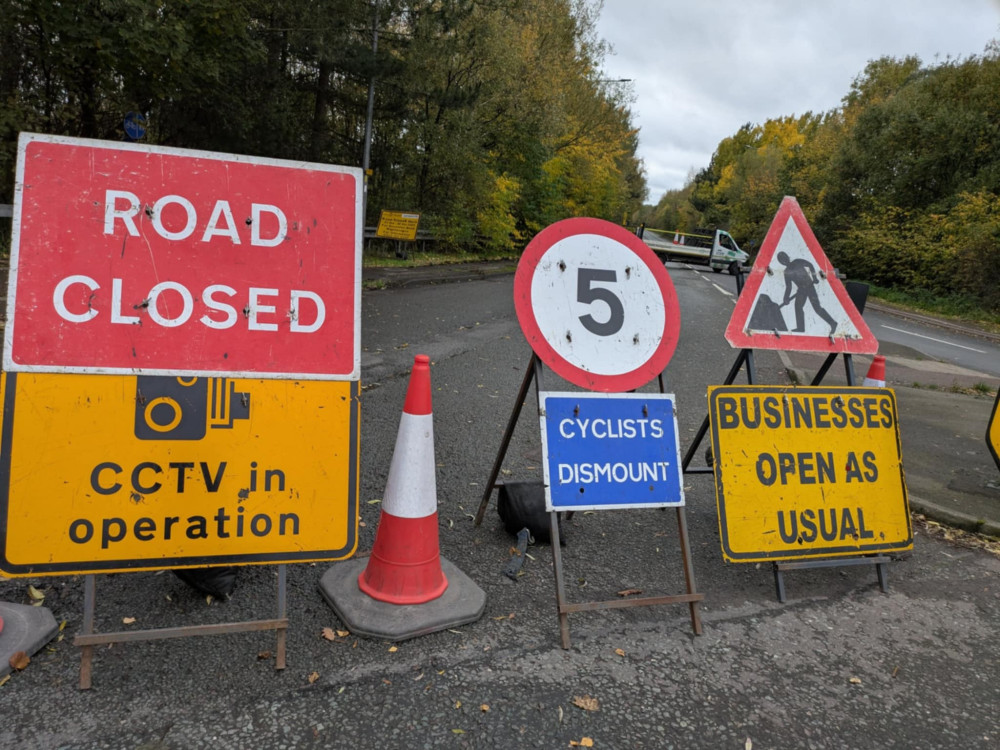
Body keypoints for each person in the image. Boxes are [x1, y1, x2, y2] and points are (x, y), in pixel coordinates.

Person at [776, 251, 837, 335]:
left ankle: (833, 323)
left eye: (784, 258)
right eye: (782, 260)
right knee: (798, 307)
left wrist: (814, 277)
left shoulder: (797, 262)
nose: (784, 261)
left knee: (817, 308)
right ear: (781, 262)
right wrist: (786, 298)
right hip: (801, 291)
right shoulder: (786, 272)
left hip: (809, 287)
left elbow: (810, 265)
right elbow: (788, 287)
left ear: (787, 257)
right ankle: (800, 328)